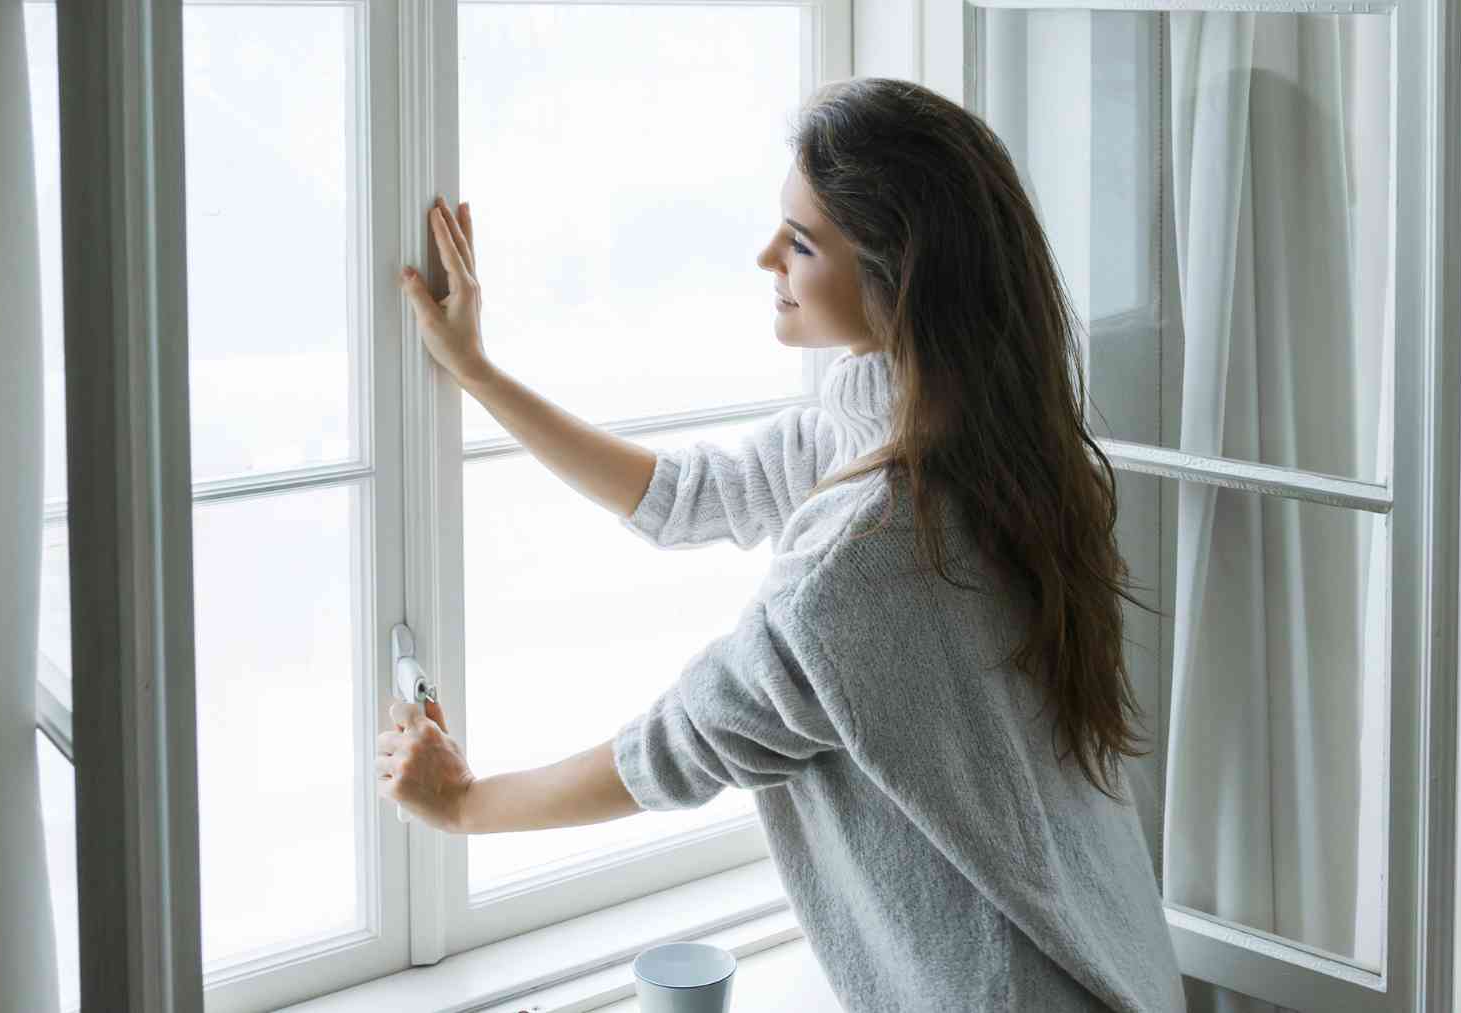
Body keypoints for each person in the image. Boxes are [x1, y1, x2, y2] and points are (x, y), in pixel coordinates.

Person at [379, 76, 1186, 1013]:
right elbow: (685, 496)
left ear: (898, 273)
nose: (768, 256)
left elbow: (677, 746)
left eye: (801, 243)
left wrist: (464, 804)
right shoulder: (990, 438)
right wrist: (477, 372)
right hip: (1115, 969)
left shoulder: (862, 563)